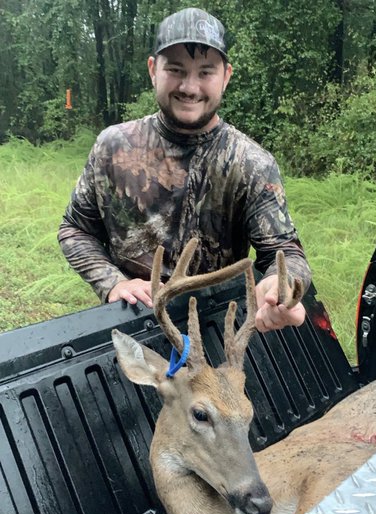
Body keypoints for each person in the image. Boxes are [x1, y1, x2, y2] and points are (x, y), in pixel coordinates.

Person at [58, 7, 311, 334]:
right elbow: (75, 228)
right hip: (129, 321)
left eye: (205, 72)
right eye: (176, 69)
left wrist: (279, 286)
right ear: (153, 69)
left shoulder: (250, 163)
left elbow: (286, 252)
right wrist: (112, 283)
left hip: (216, 332)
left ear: (226, 76)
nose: (190, 87)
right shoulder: (114, 146)